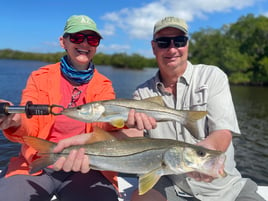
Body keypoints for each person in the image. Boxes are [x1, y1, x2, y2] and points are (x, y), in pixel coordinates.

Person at [0, 14, 155, 201]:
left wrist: (125, 123)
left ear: (97, 45)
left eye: (93, 39)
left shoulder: (104, 84)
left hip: (88, 165)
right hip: (38, 161)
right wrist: (13, 121)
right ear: (63, 42)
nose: (85, 43)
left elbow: (104, 130)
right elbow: (30, 124)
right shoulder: (40, 77)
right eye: (76, 37)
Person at [127, 16, 265, 201]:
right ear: (154, 47)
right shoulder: (142, 92)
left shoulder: (213, 76)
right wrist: (125, 130)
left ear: (187, 45)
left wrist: (201, 158)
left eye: (179, 41)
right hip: (169, 182)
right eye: (163, 42)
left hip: (224, 188)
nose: (172, 48)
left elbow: (223, 132)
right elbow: (136, 139)